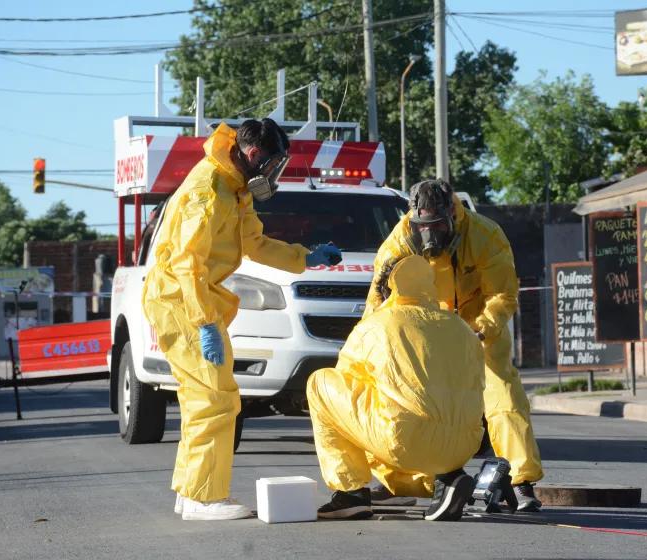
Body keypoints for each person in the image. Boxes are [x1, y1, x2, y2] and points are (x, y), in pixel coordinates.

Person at [142, 118, 341, 521]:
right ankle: (202, 498)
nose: (273, 174)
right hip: (181, 300)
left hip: (194, 300)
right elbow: (187, 263)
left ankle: (191, 492)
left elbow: (255, 244)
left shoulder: (234, 189)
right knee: (213, 399)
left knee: (214, 398)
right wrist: (204, 323)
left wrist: (306, 257)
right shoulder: (207, 190)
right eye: (272, 164)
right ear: (253, 155)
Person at [363, 179, 544, 512]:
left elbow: (502, 295)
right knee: (405, 398)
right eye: (422, 226)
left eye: (437, 226)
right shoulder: (399, 243)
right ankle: (396, 479)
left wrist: (483, 329)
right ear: (411, 219)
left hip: (480, 327)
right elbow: (379, 302)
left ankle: (520, 482)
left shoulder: (485, 235)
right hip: (428, 333)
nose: (429, 234)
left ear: (452, 215)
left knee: (503, 395)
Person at [307, 255, 486, 521]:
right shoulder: (460, 327)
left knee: (321, 384)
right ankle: (446, 480)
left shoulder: (377, 325)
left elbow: (345, 382)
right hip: (464, 446)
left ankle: (350, 493)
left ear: (385, 288)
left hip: (405, 441)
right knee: (416, 408)